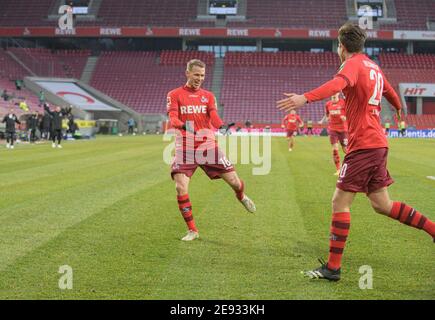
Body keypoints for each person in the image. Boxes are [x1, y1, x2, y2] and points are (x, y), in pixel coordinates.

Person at [277, 22, 435, 281]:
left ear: (342, 46)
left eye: (338, 45)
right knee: (382, 204)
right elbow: (392, 93)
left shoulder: (351, 64)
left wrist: (304, 97)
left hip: (363, 144)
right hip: (379, 144)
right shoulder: (374, 67)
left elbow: (336, 85)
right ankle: (433, 229)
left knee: (340, 201)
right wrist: (397, 111)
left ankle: (333, 268)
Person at [167, 59, 256, 241]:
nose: (199, 78)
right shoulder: (175, 94)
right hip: (185, 147)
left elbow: (213, 115)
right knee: (180, 186)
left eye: (202, 75)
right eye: (196, 74)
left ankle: (241, 196)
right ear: (187, 73)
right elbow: (173, 118)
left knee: (235, 182)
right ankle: (192, 230)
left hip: (208, 146)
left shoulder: (208, 96)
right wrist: (185, 127)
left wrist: (221, 126)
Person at [318, 93, 348, 175]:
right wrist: (323, 120)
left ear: (338, 94)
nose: (334, 95)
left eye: (335, 93)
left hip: (343, 130)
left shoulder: (344, 102)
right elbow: (327, 114)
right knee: (335, 148)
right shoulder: (328, 104)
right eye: (332, 93)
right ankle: (338, 169)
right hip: (333, 129)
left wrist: (345, 118)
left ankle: (354, 164)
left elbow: (349, 112)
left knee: (345, 149)